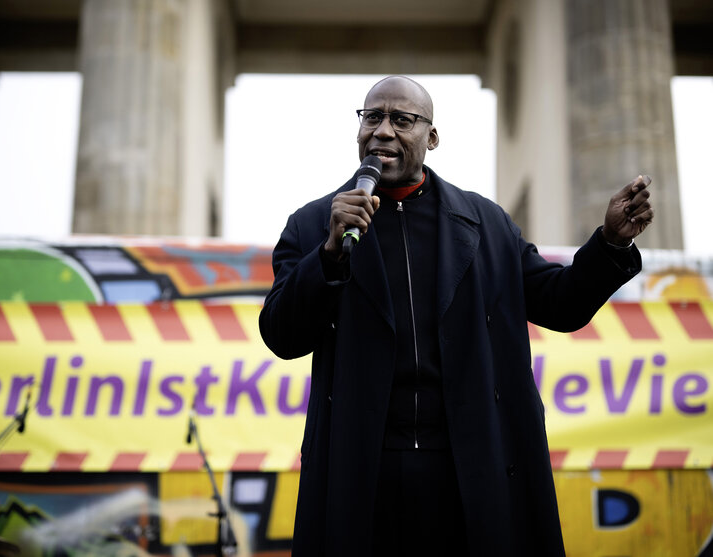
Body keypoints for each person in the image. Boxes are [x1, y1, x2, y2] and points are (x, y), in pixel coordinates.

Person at [259, 76, 652, 556]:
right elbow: (282, 335)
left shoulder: (485, 223)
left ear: (432, 137)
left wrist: (610, 244)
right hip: (363, 466)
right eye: (371, 117)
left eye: (401, 120)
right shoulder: (314, 223)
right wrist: (328, 255)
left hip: (471, 465)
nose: (382, 131)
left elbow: (560, 303)